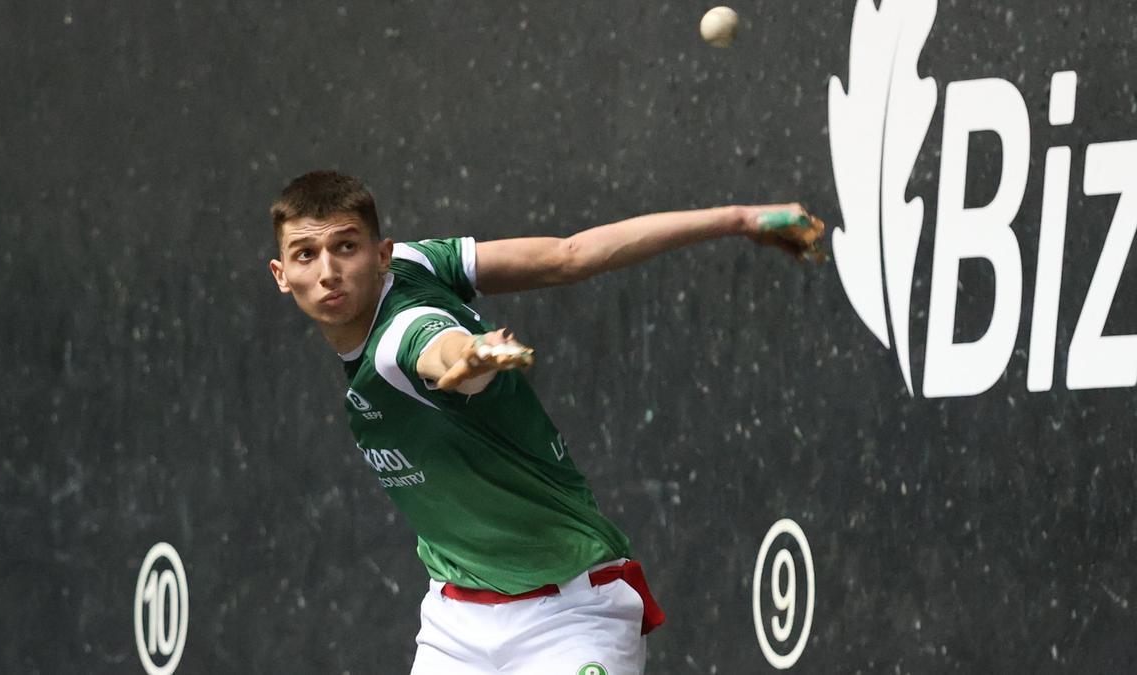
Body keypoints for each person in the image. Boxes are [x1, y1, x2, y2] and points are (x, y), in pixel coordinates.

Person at [267, 171, 824, 674]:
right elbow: (568, 256)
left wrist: (468, 359)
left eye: (345, 247)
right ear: (282, 274)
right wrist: (739, 220)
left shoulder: (397, 339)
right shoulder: (417, 262)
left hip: (569, 618)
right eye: (306, 255)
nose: (329, 272)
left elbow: (433, 348)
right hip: (453, 628)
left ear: (381, 253)